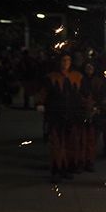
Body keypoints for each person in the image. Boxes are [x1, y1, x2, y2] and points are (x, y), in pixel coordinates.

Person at [38, 53, 83, 182]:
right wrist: (40, 104)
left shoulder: (77, 77)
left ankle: (67, 168)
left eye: (68, 60)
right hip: (55, 114)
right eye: (63, 60)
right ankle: (57, 169)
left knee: (69, 143)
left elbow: (82, 94)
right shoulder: (51, 77)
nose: (65, 63)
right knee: (57, 144)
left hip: (71, 115)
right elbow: (43, 93)